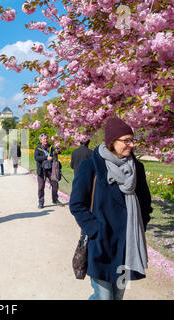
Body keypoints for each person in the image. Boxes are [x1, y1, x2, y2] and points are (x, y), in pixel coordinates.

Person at [69, 117, 153, 300]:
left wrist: (139, 226)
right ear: (112, 141)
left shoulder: (137, 168)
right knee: (104, 297)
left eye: (132, 140)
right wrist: (94, 230)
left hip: (127, 247)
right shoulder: (91, 166)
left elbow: (146, 203)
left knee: (118, 296)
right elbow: (76, 204)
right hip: (101, 245)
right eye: (126, 140)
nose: (131, 145)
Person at [34, 133, 63, 208]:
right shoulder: (38, 148)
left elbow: (55, 154)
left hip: (51, 170)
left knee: (55, 184)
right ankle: (41, 202)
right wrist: (46, 157)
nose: (46, 140)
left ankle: (55, 199)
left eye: (47, 138)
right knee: (41, 187)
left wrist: (57, 151)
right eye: (44, 139)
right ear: (41, 140)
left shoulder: (51, 147)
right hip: (41, 171)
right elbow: (36, 158)